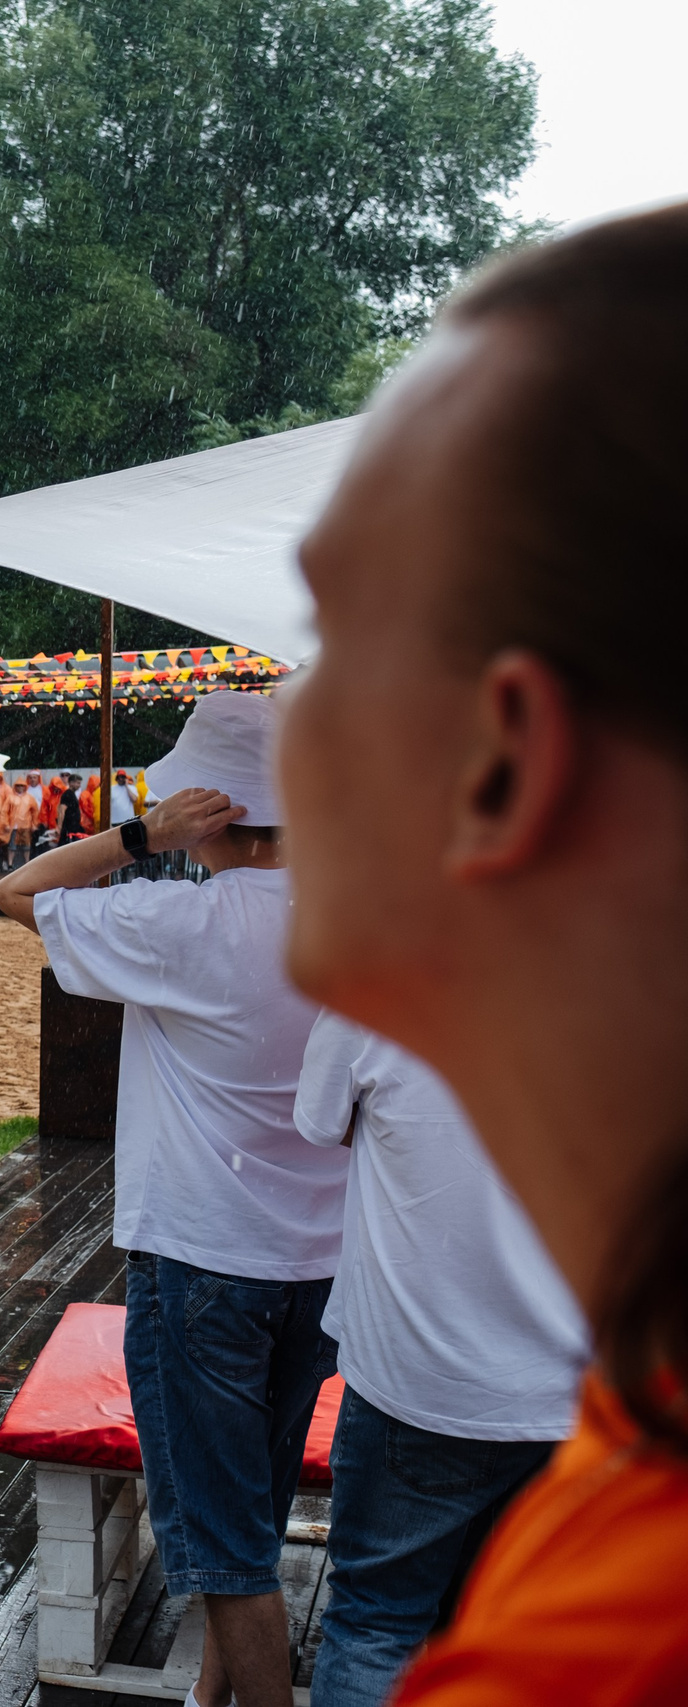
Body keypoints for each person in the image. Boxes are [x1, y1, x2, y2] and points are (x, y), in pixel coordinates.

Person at [278, 205, 688, 1707]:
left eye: (327, 629)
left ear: (499, 764)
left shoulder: (616, 1640)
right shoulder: (630, 1449)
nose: (281, 720)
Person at [0, 692, 341, 1707]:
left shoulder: (179, 916)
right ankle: (209, 1693)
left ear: (212, 810)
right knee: (247, 1503)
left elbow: (18, 892)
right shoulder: (357, 915)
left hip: (202, 1253)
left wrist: (140, 836)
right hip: (320, 1260)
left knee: (222, 1538)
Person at [292, 1013, 588, 1707]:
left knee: (374, 1625)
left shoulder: (376, 978)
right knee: (518, 1640)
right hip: (562, 1388)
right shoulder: (624, 979)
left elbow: (320, 1120)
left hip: (414, 1376)